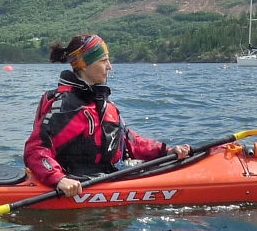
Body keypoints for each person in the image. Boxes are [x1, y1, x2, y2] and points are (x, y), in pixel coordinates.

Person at [24, 34, 190, 197]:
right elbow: (35, 150)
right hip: (74, 185)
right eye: (103, 61)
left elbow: (127, 142)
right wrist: (59, 179)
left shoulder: (104, 104)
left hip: (104, 179)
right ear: (83, 65)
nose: (109, 66)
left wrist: (166, 151)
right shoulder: (66, 106)